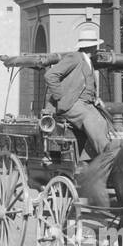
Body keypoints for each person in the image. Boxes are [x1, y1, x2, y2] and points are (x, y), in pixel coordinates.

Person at [45, 24, 115, 159]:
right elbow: (50, 75)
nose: (97, 48)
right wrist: (61, 97)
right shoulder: (75, 57)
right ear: (91, 47)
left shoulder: (88, 61)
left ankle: (90, 158)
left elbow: (84, 84)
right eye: (96, 45)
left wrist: (96, 98)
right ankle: (107, 158)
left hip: (86, 104)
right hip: (72, 104)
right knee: (91, 119)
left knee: (103, 121)